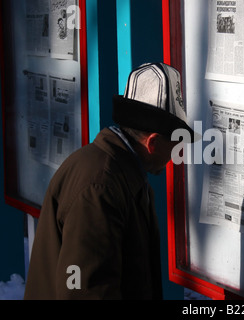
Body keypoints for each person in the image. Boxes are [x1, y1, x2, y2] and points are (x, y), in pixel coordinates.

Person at [24, 63, 194, 300]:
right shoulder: (100, 187)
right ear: (152, 143)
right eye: (176, 145)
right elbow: (84, 291)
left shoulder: (119, 173)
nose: (177, 155)